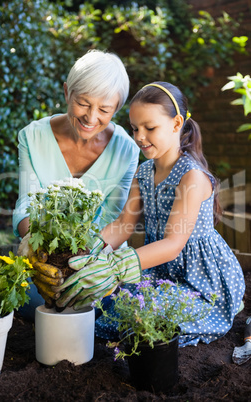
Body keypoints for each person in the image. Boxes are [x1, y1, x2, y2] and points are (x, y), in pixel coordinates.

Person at [47, 81, 245, 347]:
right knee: (113, 305)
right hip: (160, 272)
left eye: (149, 128)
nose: (139, 136)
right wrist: (87, 252)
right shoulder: (144, 172)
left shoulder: (192, 177)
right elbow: (123, 226)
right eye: (135, 128)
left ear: (176, 124)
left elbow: (173, 245)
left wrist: (115, 267)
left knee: (142, 316)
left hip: (200, 282)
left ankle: (222, 306)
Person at [13, 49, 140, 320]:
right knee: (28, 302)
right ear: (66, 93)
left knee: (112, 310)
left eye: (104, 110)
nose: (91, 118)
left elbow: (114, 217)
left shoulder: (126, 150)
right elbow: (27, 202)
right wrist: (36, 253)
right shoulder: (32, 137)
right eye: (83, 103)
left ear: (116, 109)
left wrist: (82, 267)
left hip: (99, 257)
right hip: (46, 255)